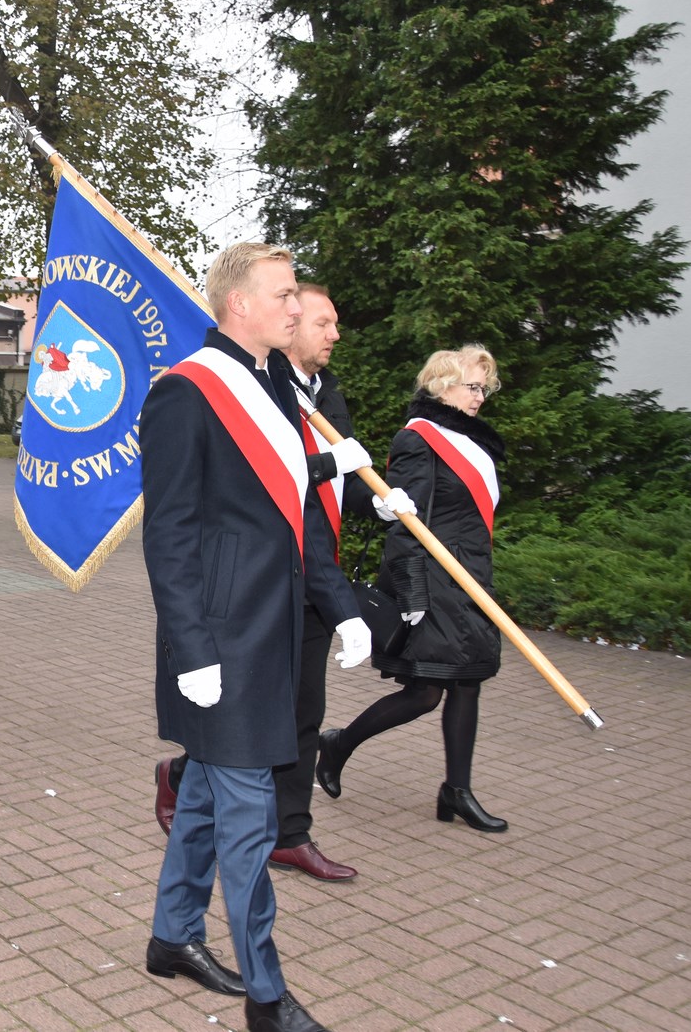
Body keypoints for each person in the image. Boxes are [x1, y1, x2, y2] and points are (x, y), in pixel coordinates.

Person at [140, 243, 369, 1032]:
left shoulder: (273, 382)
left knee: (202, 795)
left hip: (273, 631)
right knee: (251, 824)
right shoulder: (184, 392)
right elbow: (168, 534)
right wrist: (192, 650)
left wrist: (339, 604)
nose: (298, 309)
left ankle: (172, 936)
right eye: (284, 295)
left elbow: (284, 505)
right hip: (220, 642)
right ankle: (267, 998)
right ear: (239, 303)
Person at [151, 283, 416, 883]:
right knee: (238, 726)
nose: (329, 332)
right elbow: (240, 488)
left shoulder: (324, 393)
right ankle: (190, 786)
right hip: (250, 585)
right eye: (319, 319)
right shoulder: (239, 389)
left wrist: (376, 503)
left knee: (302, 712)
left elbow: (323, 492)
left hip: (314, 573)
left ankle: (291, 833)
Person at [317, 345, 509, 833]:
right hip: (433, 582)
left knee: (469, 681)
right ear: (442, 384)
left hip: (471, 579)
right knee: (426, 692)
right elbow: (405, 524)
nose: (480, 397)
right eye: (472, 386)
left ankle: (456, 791)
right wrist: (414, 598)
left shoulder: (474, 443)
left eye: (484, 388)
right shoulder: (419, 440)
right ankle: (339, 743)